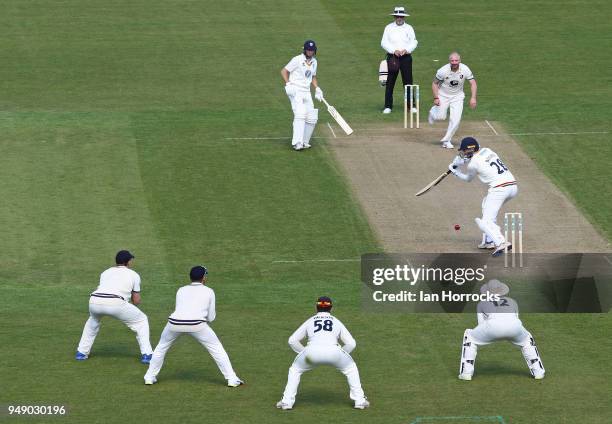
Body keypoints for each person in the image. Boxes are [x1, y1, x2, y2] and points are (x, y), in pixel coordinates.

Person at [143, 266, 243, 387]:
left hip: (174, 323)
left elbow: (180, 309)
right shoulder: (209, 291)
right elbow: (211, 318)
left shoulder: (181, 290)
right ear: (203, 278)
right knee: (217, 349)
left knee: (161, 348)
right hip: (197, 325)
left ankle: (149, 377)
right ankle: (232, 379)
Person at [276, 297, 369, 410]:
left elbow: (292, 340)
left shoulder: (310, 321)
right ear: (331, 308)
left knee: (295, 370)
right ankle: (360, 401)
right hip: (335, 353)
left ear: (316, 307)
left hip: (310, 354)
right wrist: (340, 355)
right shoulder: (336, 321)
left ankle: (286, 402)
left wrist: (305, 353)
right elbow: (351, 343)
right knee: (351, 368)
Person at [75, 250, 153, 363]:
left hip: (94, 301)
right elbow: (136, 301)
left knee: (93, 321)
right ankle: (147, 355)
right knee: (141, 320)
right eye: (131, 260)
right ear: (128, 262)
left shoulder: (105, 272)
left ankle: (81, 352)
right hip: (115, 303)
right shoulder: (134, 275)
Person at [459, 280, 545, 380]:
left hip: (492, 328)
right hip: (515, 327)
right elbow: (515, 319)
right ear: (502, 291)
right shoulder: (513, 302)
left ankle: (466, 373)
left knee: (469, 336)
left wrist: (493, 334)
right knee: (527, 340)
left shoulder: (481, 304)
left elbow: (481, 325)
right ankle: (538, 372)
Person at [448, 137, 517, 257]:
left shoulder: (473, 164)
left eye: (464, 151)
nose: (463, 153)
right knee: (486, 205)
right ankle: (488, 241)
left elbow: (468, 179)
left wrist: (455, 172)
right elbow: (477, 159)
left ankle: (501, 242)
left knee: (485, 221)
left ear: (470, 150)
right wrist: (461, 162)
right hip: (513, 187)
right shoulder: (488, 150)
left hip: (499, 189)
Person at [281, 40, 324, 151]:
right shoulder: (297, 59)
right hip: (295, 90)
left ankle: (305, 141)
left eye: (312, 50)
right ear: (304, 50)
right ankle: (297, 143)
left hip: (306, 91)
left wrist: (317, 88)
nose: (310, 52)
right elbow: (284, 71)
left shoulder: (314, 62)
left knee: (312, 117)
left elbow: (313, 76)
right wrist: (288, 83)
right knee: (300, 114)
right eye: (309, 50)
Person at [429, 52, 477, 148]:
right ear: (449, 61)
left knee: (456, 120)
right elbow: (434, 84)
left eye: (456, 60)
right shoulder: (442, 71)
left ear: (460, 61)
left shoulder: (465, 69)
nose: (454, 62)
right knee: (441, 117)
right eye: (452, 60)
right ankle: (433, 112)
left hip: (458, 97)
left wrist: (473, 98)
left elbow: (473, 83)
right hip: (443, 95)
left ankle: (446, 141)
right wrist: (436, 97)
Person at [380, 6, 418, 114]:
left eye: (401, 16)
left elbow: (414, 42)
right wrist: (393, 50)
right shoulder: (388, 27)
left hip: (406, 58)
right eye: (397, 16)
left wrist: (407, 50)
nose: (399, 18)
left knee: (408, 82)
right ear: (394, 17)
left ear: (404, 17)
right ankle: (388, 106)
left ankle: (411, 106)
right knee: (390, 82)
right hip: (392, 58)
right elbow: (383, 42)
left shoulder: (409, 28)